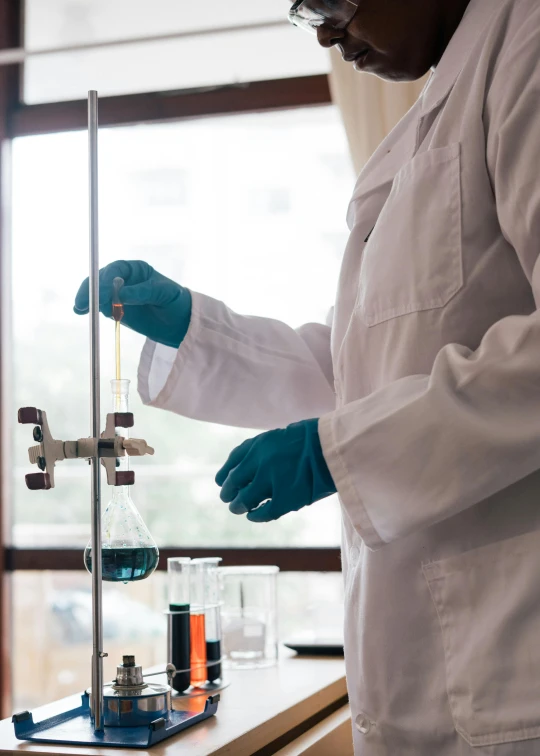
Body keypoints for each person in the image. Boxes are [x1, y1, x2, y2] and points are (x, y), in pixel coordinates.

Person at [75, 0, 540, 752]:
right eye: (303, 12)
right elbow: (361, 372)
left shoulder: (527, 43)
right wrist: (196, 327)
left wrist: (341, 452)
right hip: (432, 675)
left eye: (329, 2)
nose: (325, 32)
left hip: (509, 673)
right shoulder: (435, 107)